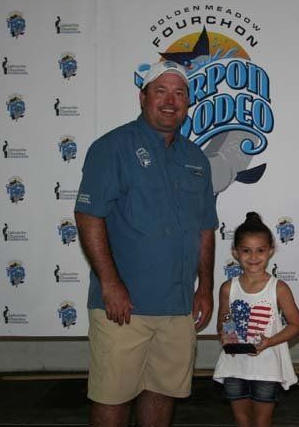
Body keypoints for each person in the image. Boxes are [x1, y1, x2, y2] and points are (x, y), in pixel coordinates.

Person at [74, 60, 218, 427]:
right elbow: (89, 216)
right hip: (125, 307)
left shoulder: (196, 158)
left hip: (178, 306)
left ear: (188, 103)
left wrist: (206, 288)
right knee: (113, 397)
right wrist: (110, 283)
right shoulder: (112, 147)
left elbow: (205, 227)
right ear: (143, 97)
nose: (170, 101)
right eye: (161, 91)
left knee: (162, 392)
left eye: (179, 93)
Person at [213, 212, 299, 427]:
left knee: (262, 421)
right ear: (235, 252)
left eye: (260, 250)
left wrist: (269, 342)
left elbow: (296, 326)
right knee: (242, 420)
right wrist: (226, 334)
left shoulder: (278, 288)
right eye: (246, 251)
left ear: (270, 251)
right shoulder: (228, 288)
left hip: (267, 368)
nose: (253, 257)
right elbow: (223, 321)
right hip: (234, 366)